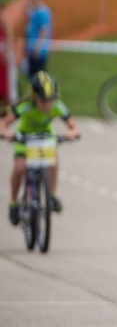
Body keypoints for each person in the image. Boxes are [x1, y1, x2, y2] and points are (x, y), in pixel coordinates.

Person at [1, 71, 80, 225]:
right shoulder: (26, 107)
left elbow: (73, 126)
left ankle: (52, 195)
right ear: (35, 98)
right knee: (19, 168)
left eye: (50, 100)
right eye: (43, 101)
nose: (47, 105)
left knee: (53, 159)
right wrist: (6, 133)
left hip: (44, 137)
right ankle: (13, 203)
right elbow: (3, 123)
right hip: (25, 138)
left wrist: (71, 133)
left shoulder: (58, 106)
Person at [25, 0, 52, 77]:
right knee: (32, 75)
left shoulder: (43, 11)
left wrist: (38, 47)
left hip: (38, 50)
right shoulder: (35, 11)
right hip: (32, 48)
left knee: (39, 76)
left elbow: (44, 30)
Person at [0, 0, 10, 117]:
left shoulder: (4, 18)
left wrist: (7, 53)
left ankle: (7, 110)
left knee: (4, 86)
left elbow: (9, 37)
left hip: (2, 53)